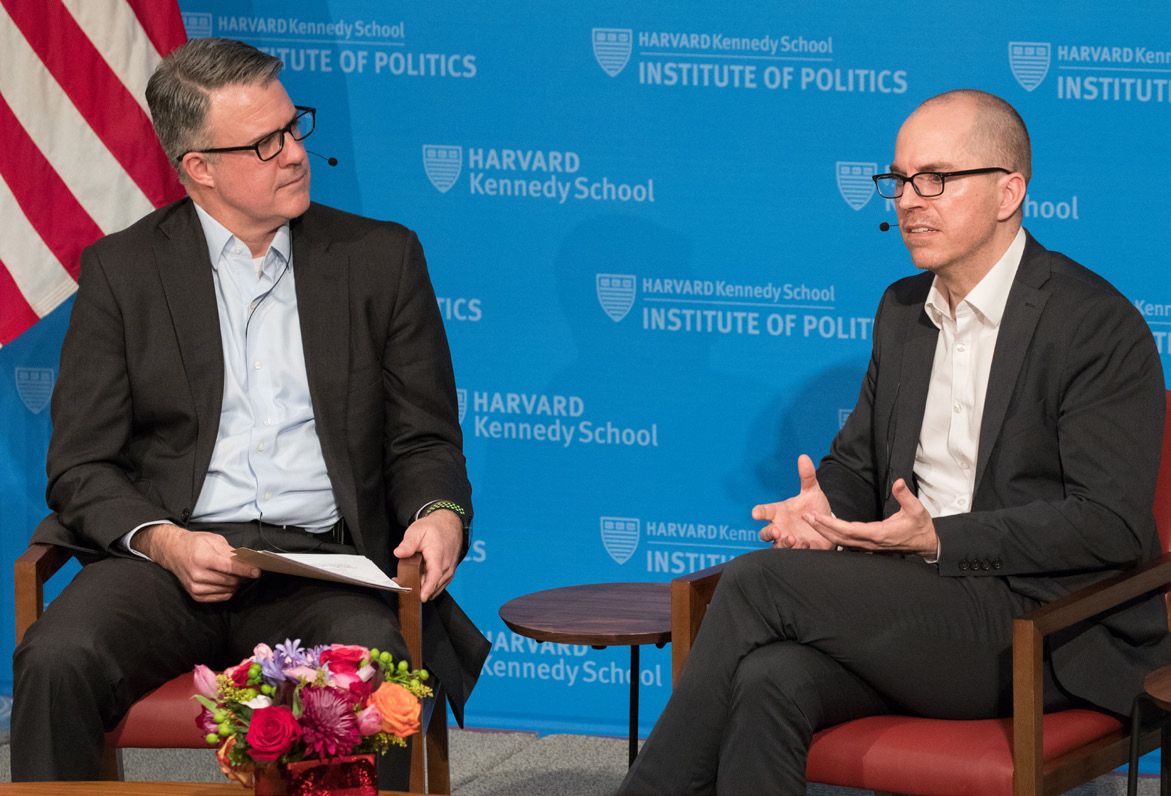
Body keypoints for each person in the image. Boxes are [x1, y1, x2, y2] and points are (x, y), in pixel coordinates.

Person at [619, 89, 1171, 794]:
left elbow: (1110, 525)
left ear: (1008, 192)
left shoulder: (1093, 324)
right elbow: (859, 462)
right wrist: (822, 510)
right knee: (770, 677)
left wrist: (940, 537)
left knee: (756, 584)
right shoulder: (902, 310)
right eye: (899, 180)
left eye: (935, 178)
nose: (909, 199)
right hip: (918, 606)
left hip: (1039, 626)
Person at [11, 37, 488, 784]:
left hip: (323, 564)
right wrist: (165, 542)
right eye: (265, 143)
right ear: (197, 167)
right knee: (57, 658)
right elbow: (80, 465)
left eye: (293, 126)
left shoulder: (380, 259)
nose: (294, 152)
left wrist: (438, 512)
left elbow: (422, 437)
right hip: (169, 564)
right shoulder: (123, 272)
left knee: (374, 666)